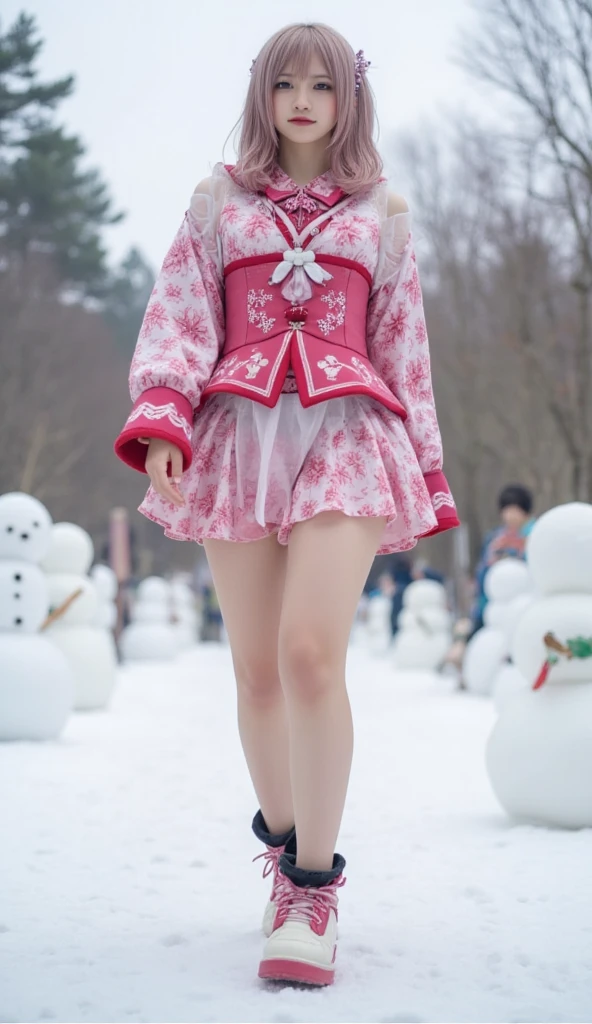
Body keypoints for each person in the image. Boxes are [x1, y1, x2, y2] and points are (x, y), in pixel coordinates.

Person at [114, 23, 459, 986]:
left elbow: (406, 349)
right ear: (263, 95)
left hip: (350, 434)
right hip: (238, 437)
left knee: (311, 653)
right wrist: (164, 423)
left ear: (350, 100)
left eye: (323, 84)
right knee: (258, 672)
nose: (304, 100)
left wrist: (427, 473)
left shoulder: (382, 212)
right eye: (285, 84)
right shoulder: (217, 204)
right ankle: (283, 843)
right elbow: (181, 321)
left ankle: (312, 889)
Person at [471, 483, 535, 632]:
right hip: (496, 606)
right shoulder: (495, 539)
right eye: (506, 510)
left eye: (515, 510)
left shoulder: (535, 534)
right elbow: (483, 573)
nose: (510, 516)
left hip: (528, 603)